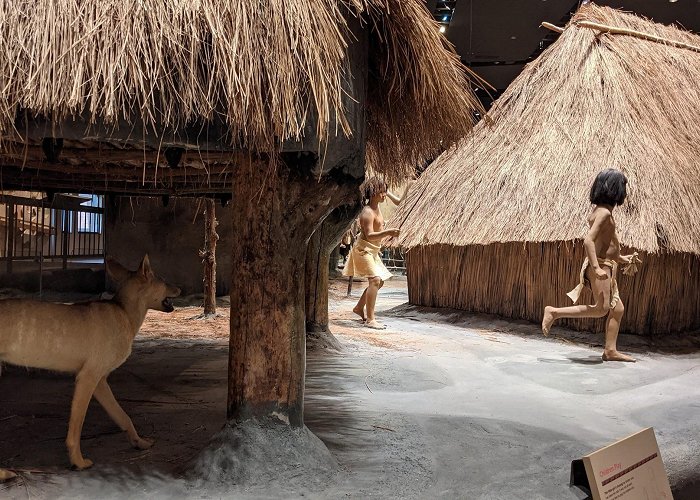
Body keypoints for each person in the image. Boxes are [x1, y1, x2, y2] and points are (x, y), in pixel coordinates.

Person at [541, 168, 640, 362]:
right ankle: (554, 312)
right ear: (616, 190)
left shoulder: (603, 212)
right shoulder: (603, 213)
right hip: (601, 266)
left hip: (607, 265)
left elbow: (607, 243)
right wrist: (596, 267)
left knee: (617, 309)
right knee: (601, 309)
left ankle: (610, 351)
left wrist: (621, 258)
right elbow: (589, 241)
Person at [343, 177, 413, 329]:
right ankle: (370, 319)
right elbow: (369, 235)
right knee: (374, 280)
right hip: (363, 249)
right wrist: (387, 232)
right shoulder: (367, 212)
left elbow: (400, 202)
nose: (384, 195)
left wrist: (408, 186)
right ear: (374, 193)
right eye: (382, 192)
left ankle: (358, 308)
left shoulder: (378, 205)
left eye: (385, 191)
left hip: (373, 251)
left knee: (379, 282)